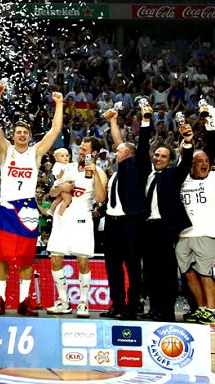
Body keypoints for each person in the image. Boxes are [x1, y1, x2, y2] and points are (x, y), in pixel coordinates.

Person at [0, 91, 64, 316]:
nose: (21, 135)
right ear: (13, 136)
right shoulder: (6, 150)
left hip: (29, 210)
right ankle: (0, 298)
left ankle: (23, 300)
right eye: (18, 132)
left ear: (30, 136)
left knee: (26, 258)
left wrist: (59, 103)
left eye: (25, 133)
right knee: (2, 256)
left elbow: (55, 131)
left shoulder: (35, 153)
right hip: (7, 208)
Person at [45, 137, 108, 318]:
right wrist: (60, 188)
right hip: (62, 218)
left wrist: (94, 173)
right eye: (80, 149)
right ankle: (63, 301)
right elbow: (52, 192)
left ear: (93, 153)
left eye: (84, 150)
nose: (80, 152)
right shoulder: (69, 167)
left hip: (82, 218)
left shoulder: (100, 173)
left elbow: (101, 198)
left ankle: (83, 302)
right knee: (55, 258)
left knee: (82, 261)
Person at [101, 101, 153, 319]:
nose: (116, 149)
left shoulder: (139, 164)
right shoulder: (117, 170)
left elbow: (140, 145)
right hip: (112, 222)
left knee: (132, 267)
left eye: (120, 149)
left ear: (129, 153)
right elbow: (118, 140)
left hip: (131, 222)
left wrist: (146, 119)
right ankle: (118, 305)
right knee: (112, 267)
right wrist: (113, 120)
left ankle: (132, 307)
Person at [139, 121, 195, 322]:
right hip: (147, 228)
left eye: (164, 156)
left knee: (167, 273)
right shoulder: (146, 175)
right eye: (157, 155)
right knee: (151, 272)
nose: (159, 158)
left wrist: (187, 143)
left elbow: (186, 162)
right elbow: (141, 149)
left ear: (170, 160)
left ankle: (167, 311)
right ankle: (154, 308)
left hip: (165, 228)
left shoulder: (173, 175)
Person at [178, 112, 215, 324]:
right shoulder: (182, 180)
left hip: (206, 233)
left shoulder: (212, 179)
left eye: (207, 161)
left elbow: (213, 147)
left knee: (205, 274)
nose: (204, 164)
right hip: (184, 234)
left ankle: (212, 309)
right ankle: (201, 308)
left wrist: (209, 124)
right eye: (199, 161)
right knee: (188, 273)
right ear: (191, 164)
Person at [48, 148, 77, 216]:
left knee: (59, 199)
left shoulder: (69, 165)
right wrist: (61, 173)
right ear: (56, 158)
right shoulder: (57, 165)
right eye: (62, 156)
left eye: (67, 155)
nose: (65, 157)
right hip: (63, 184)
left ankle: (51, 210)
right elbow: (57, 177)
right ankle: (60, 213)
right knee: (67, 200)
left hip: (68, 183)